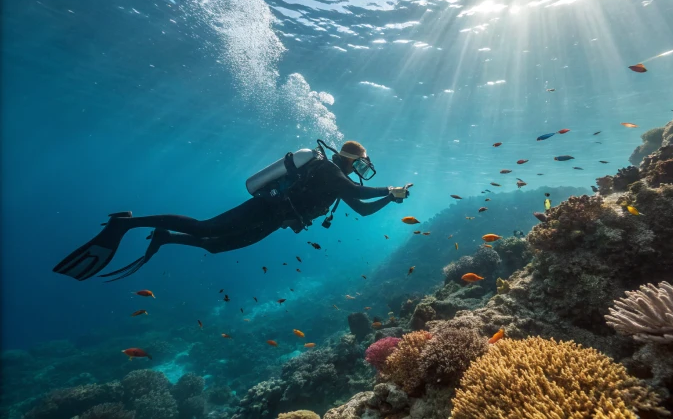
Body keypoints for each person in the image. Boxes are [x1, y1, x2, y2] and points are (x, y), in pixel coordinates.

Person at [52, 140, 410, 282]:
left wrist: (389, 201)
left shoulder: (337, 182)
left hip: (275, 221)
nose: (360, 170)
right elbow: (357, 190)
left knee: (219, 246)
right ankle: (128, 223)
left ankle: (165, 237)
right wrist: (389, 188)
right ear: (348, 160)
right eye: (359, 164)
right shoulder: (329, 170)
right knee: (207, 228)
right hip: (264, 209)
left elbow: (361, 208)